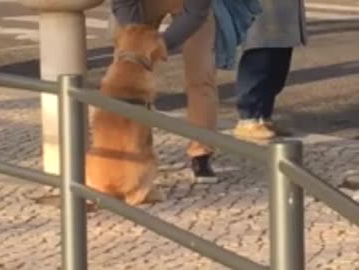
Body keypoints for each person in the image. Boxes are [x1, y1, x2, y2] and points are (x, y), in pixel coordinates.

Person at [112, 0, 219, 183]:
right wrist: (136, 37)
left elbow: (196, 13)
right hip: (141, 4)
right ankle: (132, 149)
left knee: (201, 75)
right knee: (126, 71)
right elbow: (123, 3)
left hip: (191, 6)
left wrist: (161, 44)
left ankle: (201, 153)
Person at [233, 0, 307, 140]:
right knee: (259, 58)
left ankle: (264, 116)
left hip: (283, 11)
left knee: (278, 64)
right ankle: (248, 119)